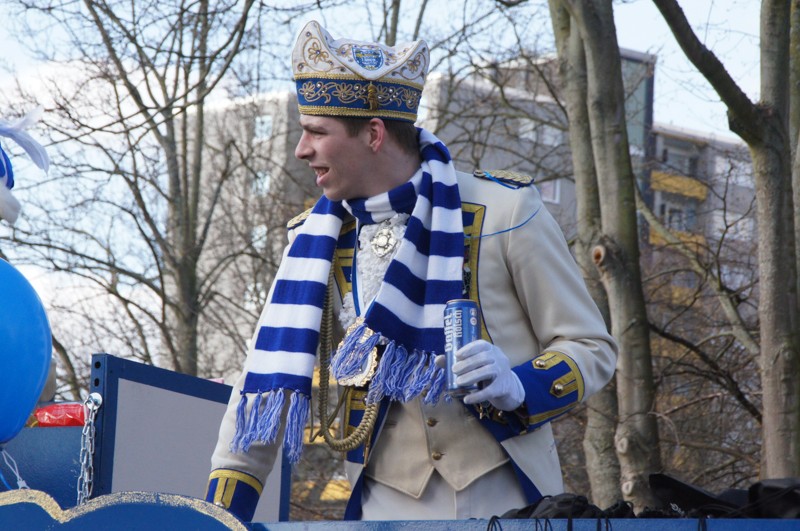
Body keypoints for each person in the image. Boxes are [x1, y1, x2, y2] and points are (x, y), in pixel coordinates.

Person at [205, 20, 618, 523]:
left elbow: (591, 346)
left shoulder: (506, 210)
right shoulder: (311, 241)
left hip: (509, 499)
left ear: (373, 134)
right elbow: (260, 389)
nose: (301, 149)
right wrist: (218, 519)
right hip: (380, 506)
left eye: (316, 132)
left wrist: (519, 385)